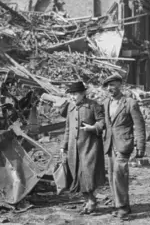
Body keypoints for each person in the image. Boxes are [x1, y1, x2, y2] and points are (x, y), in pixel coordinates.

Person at [100, 74, 146, 220]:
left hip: (124, 144)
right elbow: (106, 124)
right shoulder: (106, 102)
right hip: (109, 144)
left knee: (120, 175)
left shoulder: (130, 103)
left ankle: (123, 208)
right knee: (112, 176)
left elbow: (139, 126)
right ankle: (119, 204)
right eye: (107, 86)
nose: (109, 88)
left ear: (120, 85)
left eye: (112, 85)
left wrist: (140, 146)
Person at [61, 81, 106, 214]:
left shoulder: (93, 105)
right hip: (73, 148)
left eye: (75, 94)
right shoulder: (70, 107)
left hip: (90, 146)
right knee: (76, 175)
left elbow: (102, 122)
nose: (73, 97)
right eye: (71, 94)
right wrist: (64, 146)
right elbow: (67, 129)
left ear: (83, 94)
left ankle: (91, 201)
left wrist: (93, 128)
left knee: (88, 173)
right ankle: (88, 201)